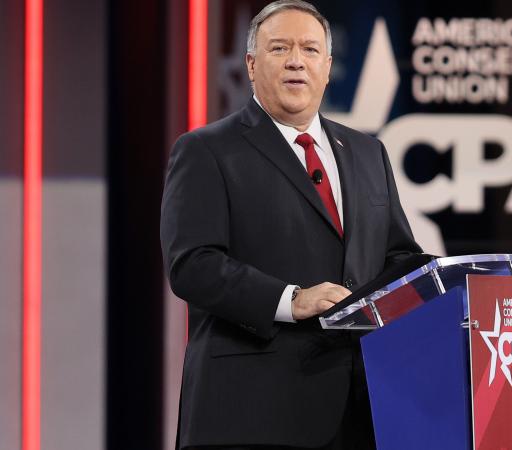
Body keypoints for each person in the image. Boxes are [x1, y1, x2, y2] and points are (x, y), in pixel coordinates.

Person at [159, 1, 421, 448]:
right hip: (249, 412)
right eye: (280, 48)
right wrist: (290, 300)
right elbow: (193, 264)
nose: (297, 60)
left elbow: (399, 258)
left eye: (310, 49)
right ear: (251, 63)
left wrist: (466, 279)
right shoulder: (206, 150)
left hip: (357, 412)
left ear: (328, 65)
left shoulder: (366, 152)